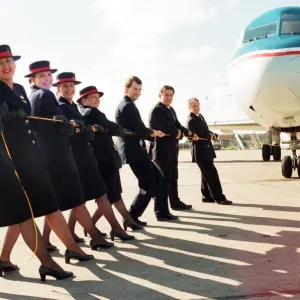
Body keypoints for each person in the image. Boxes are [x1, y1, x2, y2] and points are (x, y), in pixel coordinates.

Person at [0, 44, 81, 281]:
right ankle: (47, 263)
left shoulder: (20, 89)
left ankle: (4, 259)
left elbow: (31, 120)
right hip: (9, 159)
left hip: (28, 156)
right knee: (21, 212)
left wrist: (55, 121)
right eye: (0, 62)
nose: (6, 66)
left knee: (22, 211)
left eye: (9, 61)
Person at [27, 61, 113, 250]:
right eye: (42, 76)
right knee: (76, 200)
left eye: (48, 75)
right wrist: (72, 125)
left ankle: (47, 241)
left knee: (55, 204)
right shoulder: (45, 94)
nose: (47, 79)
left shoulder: (33, 96)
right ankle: (94, 237)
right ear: (32, 79)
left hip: (47, 155)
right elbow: (60, 128)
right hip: (59, 155)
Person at [55, 75, 134, 241]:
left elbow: (86, 127)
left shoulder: (73, 107)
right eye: (65, 86)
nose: (69, 89)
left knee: (82, 199)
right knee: (97, 195)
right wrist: (94, 129)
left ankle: (102, 230)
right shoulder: (62, 106)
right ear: (58, 89)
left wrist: (90, 128)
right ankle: (109, 231)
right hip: (80, 157)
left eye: (71, 85)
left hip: (86, 156)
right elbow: (70, 131)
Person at [78, 85, 143, 232]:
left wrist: (108, 129)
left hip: (101, 157)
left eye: (97, 97)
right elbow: (113, 127)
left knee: (111, 195)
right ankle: (124, 223)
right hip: (105, 159)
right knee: (110, 195)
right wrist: (120, 131)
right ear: (84, 99)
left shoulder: (84, 112)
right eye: (93, 97)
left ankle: (125, 221)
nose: (96, 100)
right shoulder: (92, 112)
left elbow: (108, 127)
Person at [115, 76, 175, 223]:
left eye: (140, 89)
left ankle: (140, 214)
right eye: (135, 89)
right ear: (126, 89)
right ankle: (132, 216)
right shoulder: (127, 105)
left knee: (157, 179)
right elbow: (140, 128)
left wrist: (151, 135)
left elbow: (137, 129)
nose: (137, 92)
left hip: (136, 149)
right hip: (134, 151)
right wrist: (153, 133)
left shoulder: (128, 104)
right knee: (149, 184)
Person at [149, 85, 194, 218]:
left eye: (171, 95)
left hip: (172, 150)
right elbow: (168, 129)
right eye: (166, 95)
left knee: (173, 177)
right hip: (161, 150)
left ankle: (175, 202)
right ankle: (161, 212)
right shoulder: (157, 110)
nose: (169, 98)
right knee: (163, 181)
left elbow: (177, 125)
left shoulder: (170, 109)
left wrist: (188, 133)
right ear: (160, 95)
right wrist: (180, 134)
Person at [186, 97, 232, 205]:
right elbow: (201, 134)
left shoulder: (199, 116)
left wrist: (214, 135)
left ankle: (206, 196)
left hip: (206, 151)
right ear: (189, 107)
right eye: (194, 106)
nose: (196, 108)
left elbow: (205, 130)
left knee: (205, 175)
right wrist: (212, 136)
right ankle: (219, 198)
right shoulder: (191, 120)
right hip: (200, 152)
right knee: (212, 175)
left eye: (197, 105)